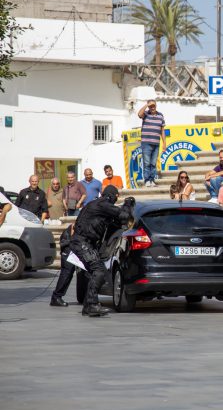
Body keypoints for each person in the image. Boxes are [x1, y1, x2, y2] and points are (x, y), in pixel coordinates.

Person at [69, 186, 135, 317]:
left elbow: (118, 220)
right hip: (82, 242)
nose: (116, 200)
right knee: (98, 270)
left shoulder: (97, 205)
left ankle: (88, 306)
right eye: (116, 197)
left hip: (83, 242)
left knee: (94, 272)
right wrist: (128, 203)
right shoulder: (103, 204)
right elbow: (124, 215)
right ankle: (92, 305)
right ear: (113, 195)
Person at [137, 99, 166, 188]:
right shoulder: (145, 114)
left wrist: (164, 143)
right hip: (146, 143)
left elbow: (162, 130)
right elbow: (139, 114)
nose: (152, 107)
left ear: (156, 106)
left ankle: (152, 180)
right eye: (151, 106)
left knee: (153, 163)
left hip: (156, 143)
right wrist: (147, 105)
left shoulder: (160, 115)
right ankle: (147, 180)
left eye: (154, 106)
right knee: (147, 163)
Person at [50, 224, 74, 307]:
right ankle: (56, 297)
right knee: (67, 272)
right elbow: (73, 228)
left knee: (68, 272)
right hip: (69, 245)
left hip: (72, 244)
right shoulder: (89, 216)